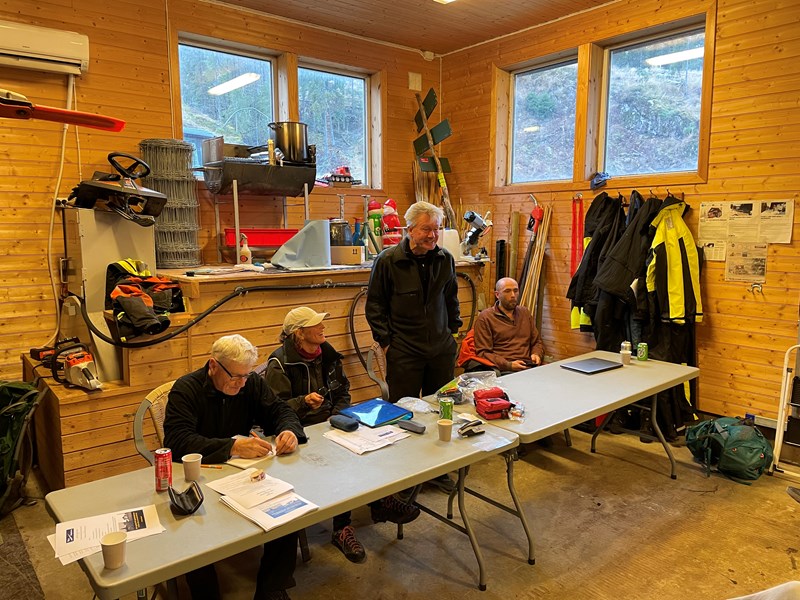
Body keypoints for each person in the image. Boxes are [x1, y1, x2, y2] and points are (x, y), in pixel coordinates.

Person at [265, 307, 420, 553]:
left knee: (371, 446)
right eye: (316, 324)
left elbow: (343, 391)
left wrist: (337, 417)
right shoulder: (279, 364)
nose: (323, 327)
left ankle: (381, 501)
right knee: (340, 462)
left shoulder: (327, 355)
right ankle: (342, 528)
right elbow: (274, 409)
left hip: (331, 421)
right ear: (299, 333)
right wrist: (303, 403)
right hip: (298, 428)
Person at [163, 334, 306, 600]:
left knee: (287, 507)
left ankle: (272, 588)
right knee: (193, 529)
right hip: (198, 476)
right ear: (213, 365)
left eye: (246, 376)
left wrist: (289, 430)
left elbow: (279, 410)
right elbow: (177, 441)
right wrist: (233, 446)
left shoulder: (249, 383)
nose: (241, 384)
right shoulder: (187, 389)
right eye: (235, 377)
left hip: (242, 475)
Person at [365, 200, 462, 492]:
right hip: (404, 349)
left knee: (442, 408)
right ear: (410, 230)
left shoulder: (445, 259)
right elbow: (375, 305)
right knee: (403, 410)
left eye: (437, 229)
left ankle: (438, 467)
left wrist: (452, 333)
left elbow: (451, 299)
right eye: (426, 229)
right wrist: (386, 342)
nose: (433, 235)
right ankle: (404, 471)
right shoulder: (388, 260)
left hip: (440, 348)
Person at [471, 277, 544, 373]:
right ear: (497, 295)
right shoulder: (485, 318)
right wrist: (508, 365)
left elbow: (536, 342)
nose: (513, 295)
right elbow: (483, 352)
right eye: (507, 291)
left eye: (515, 291)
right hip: (504, 369)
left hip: (527, 365)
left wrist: (536, 354)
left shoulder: (524, 313)